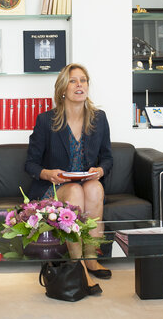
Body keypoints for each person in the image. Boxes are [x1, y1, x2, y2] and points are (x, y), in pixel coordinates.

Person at [25, 63, 113, 294]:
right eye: (73, 80)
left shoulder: (99, 118)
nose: (79, 85)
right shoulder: (46, 121)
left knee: (94, 188)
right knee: (74, 190)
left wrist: (100, 171)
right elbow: (30, 164)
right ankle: (78, 266)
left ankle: (91, 257)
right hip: (54, 189)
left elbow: (108, 158)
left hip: (86, 184)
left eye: (83, 80)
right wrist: (48, 174)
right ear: (63, 89)